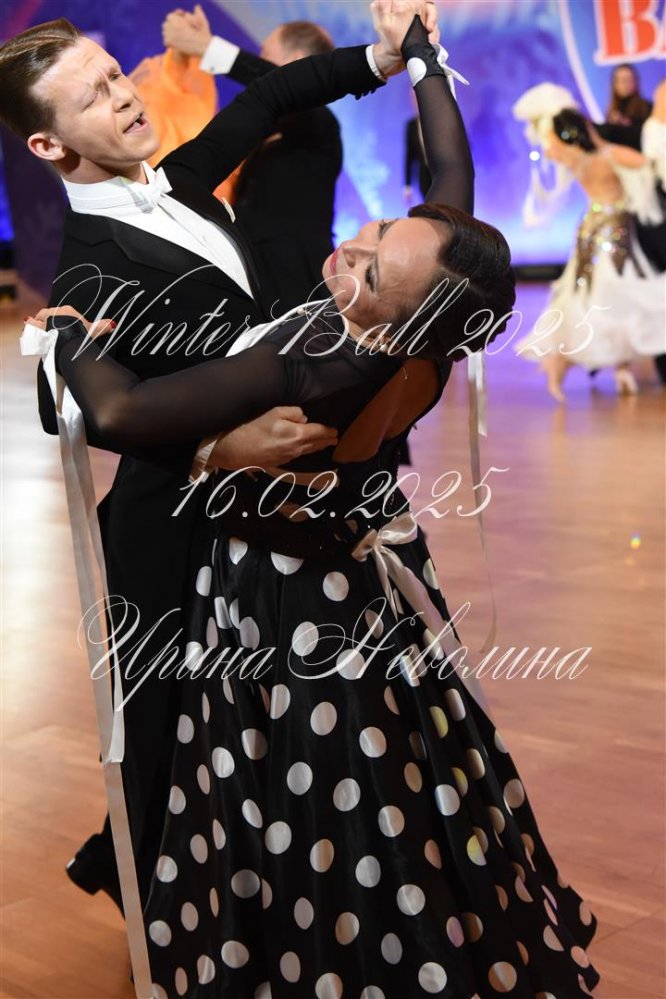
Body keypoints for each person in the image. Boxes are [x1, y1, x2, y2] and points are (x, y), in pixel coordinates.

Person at [42, 12, 601, 995]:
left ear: (389, 311)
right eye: (378, 229)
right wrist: (419, 60)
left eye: (370, 266)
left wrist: (68, 337)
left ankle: (295, 938)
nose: (351, 245)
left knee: (285, 771)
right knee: (384, 770)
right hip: (366, 577)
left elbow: (121, 410)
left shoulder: (310, 353)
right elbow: (450, 180)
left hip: (275, 594)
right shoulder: (430, 321)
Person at [0, 7, 410, 915]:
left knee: (263, 716)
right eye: (93, 98)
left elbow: (274, 94)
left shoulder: (182, 182)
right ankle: (152, 896)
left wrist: (383, 57)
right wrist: (212, 446)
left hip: (258, 514)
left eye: (116, 75)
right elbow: (88, 409)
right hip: (165, 533)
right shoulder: (85, 272)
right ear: (48, 145)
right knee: (161, 721)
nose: (124, 98)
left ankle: (276, 890)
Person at [162, 6, 344, 315]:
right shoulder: (268, 128)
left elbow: (282, 85)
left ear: (297, 61)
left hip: (296, 284)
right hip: (255, 278)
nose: (260, 61)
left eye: (265, 54)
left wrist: (208, 48)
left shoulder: (320, 122)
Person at [513, 86, 666, 401]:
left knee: (599, 300)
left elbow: (553, 151)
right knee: (616, 299)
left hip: (591, 232)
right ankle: (565, 362)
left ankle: (613, 367)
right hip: (613, 235)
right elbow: (645, 165)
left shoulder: (575, 160)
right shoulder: (608, 155)